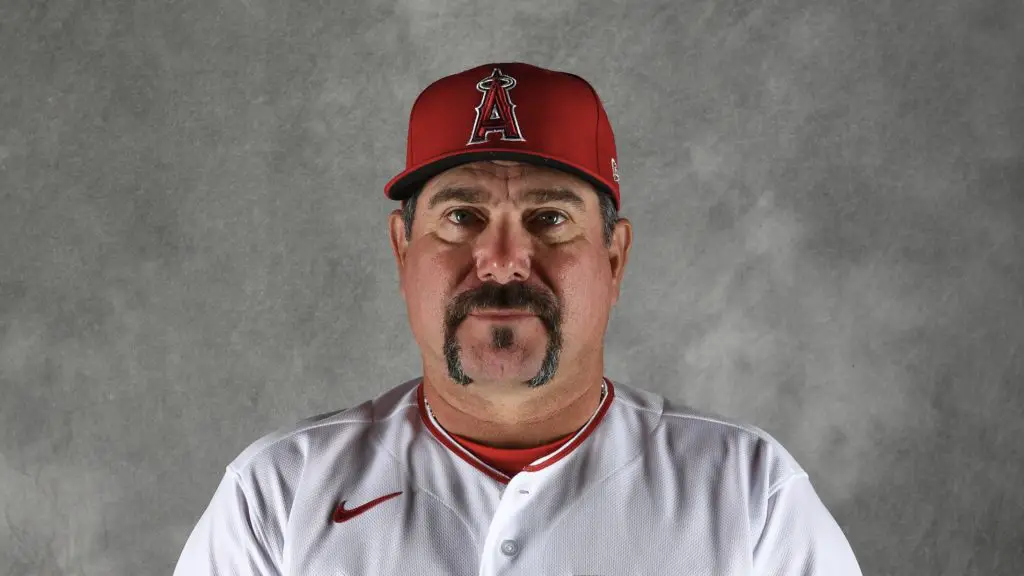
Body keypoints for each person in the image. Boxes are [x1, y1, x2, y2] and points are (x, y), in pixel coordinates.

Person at [173, 62, 864, 575]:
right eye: (462, 217)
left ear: (614, 258)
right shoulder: (280, 492)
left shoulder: (746, 491)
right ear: (402, 249)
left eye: (549, 218)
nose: (502, 261)